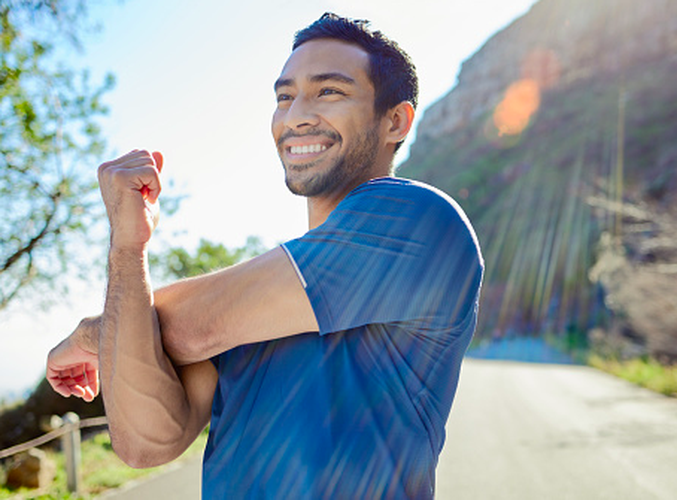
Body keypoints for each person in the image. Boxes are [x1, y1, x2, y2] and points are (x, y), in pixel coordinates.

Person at [46, 12, 483, 499]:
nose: (296, 115)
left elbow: (191, 326)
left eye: (329, 91)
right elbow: (146, 444)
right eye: (284, 96)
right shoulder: (254, 302)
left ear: (395, 121)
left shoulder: (417, 219)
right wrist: (128, 248)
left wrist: (94, 333)